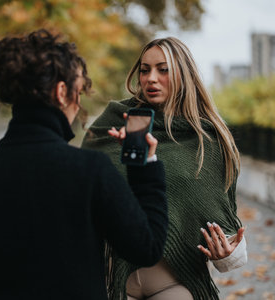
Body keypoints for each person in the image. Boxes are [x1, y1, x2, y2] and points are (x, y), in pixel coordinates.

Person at [0, 29, 168, 300]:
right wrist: (145, 166)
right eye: (79, 88)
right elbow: (145, 248)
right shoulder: (90, 169)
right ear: (62, 92)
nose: (80, 100)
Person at [82, 37, 247, 300]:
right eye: (145, 70)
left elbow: (222, 222)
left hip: (174, 283)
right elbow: (82, 191)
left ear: (183, 74)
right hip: (109, 281)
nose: (151, 78)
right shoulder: (115, 121)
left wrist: (227, 253)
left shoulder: (209, 140)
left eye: (163, 69)